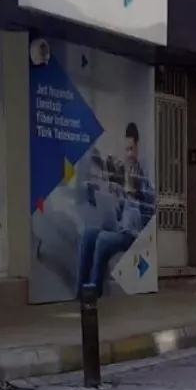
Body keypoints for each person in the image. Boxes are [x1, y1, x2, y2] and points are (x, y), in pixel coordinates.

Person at [76, 122, 155, 294]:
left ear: (137, 146)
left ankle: (94, 294)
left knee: (103, 239)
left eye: (131, 149)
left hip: (133, 233)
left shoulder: (143, 176)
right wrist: (112, 197)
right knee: (89, 233)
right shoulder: (123, 172)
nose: (129, 154)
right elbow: (120, 208)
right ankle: (80, 292)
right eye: (126, 149)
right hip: (120, 227)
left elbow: (150, 208)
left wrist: (135, 194)